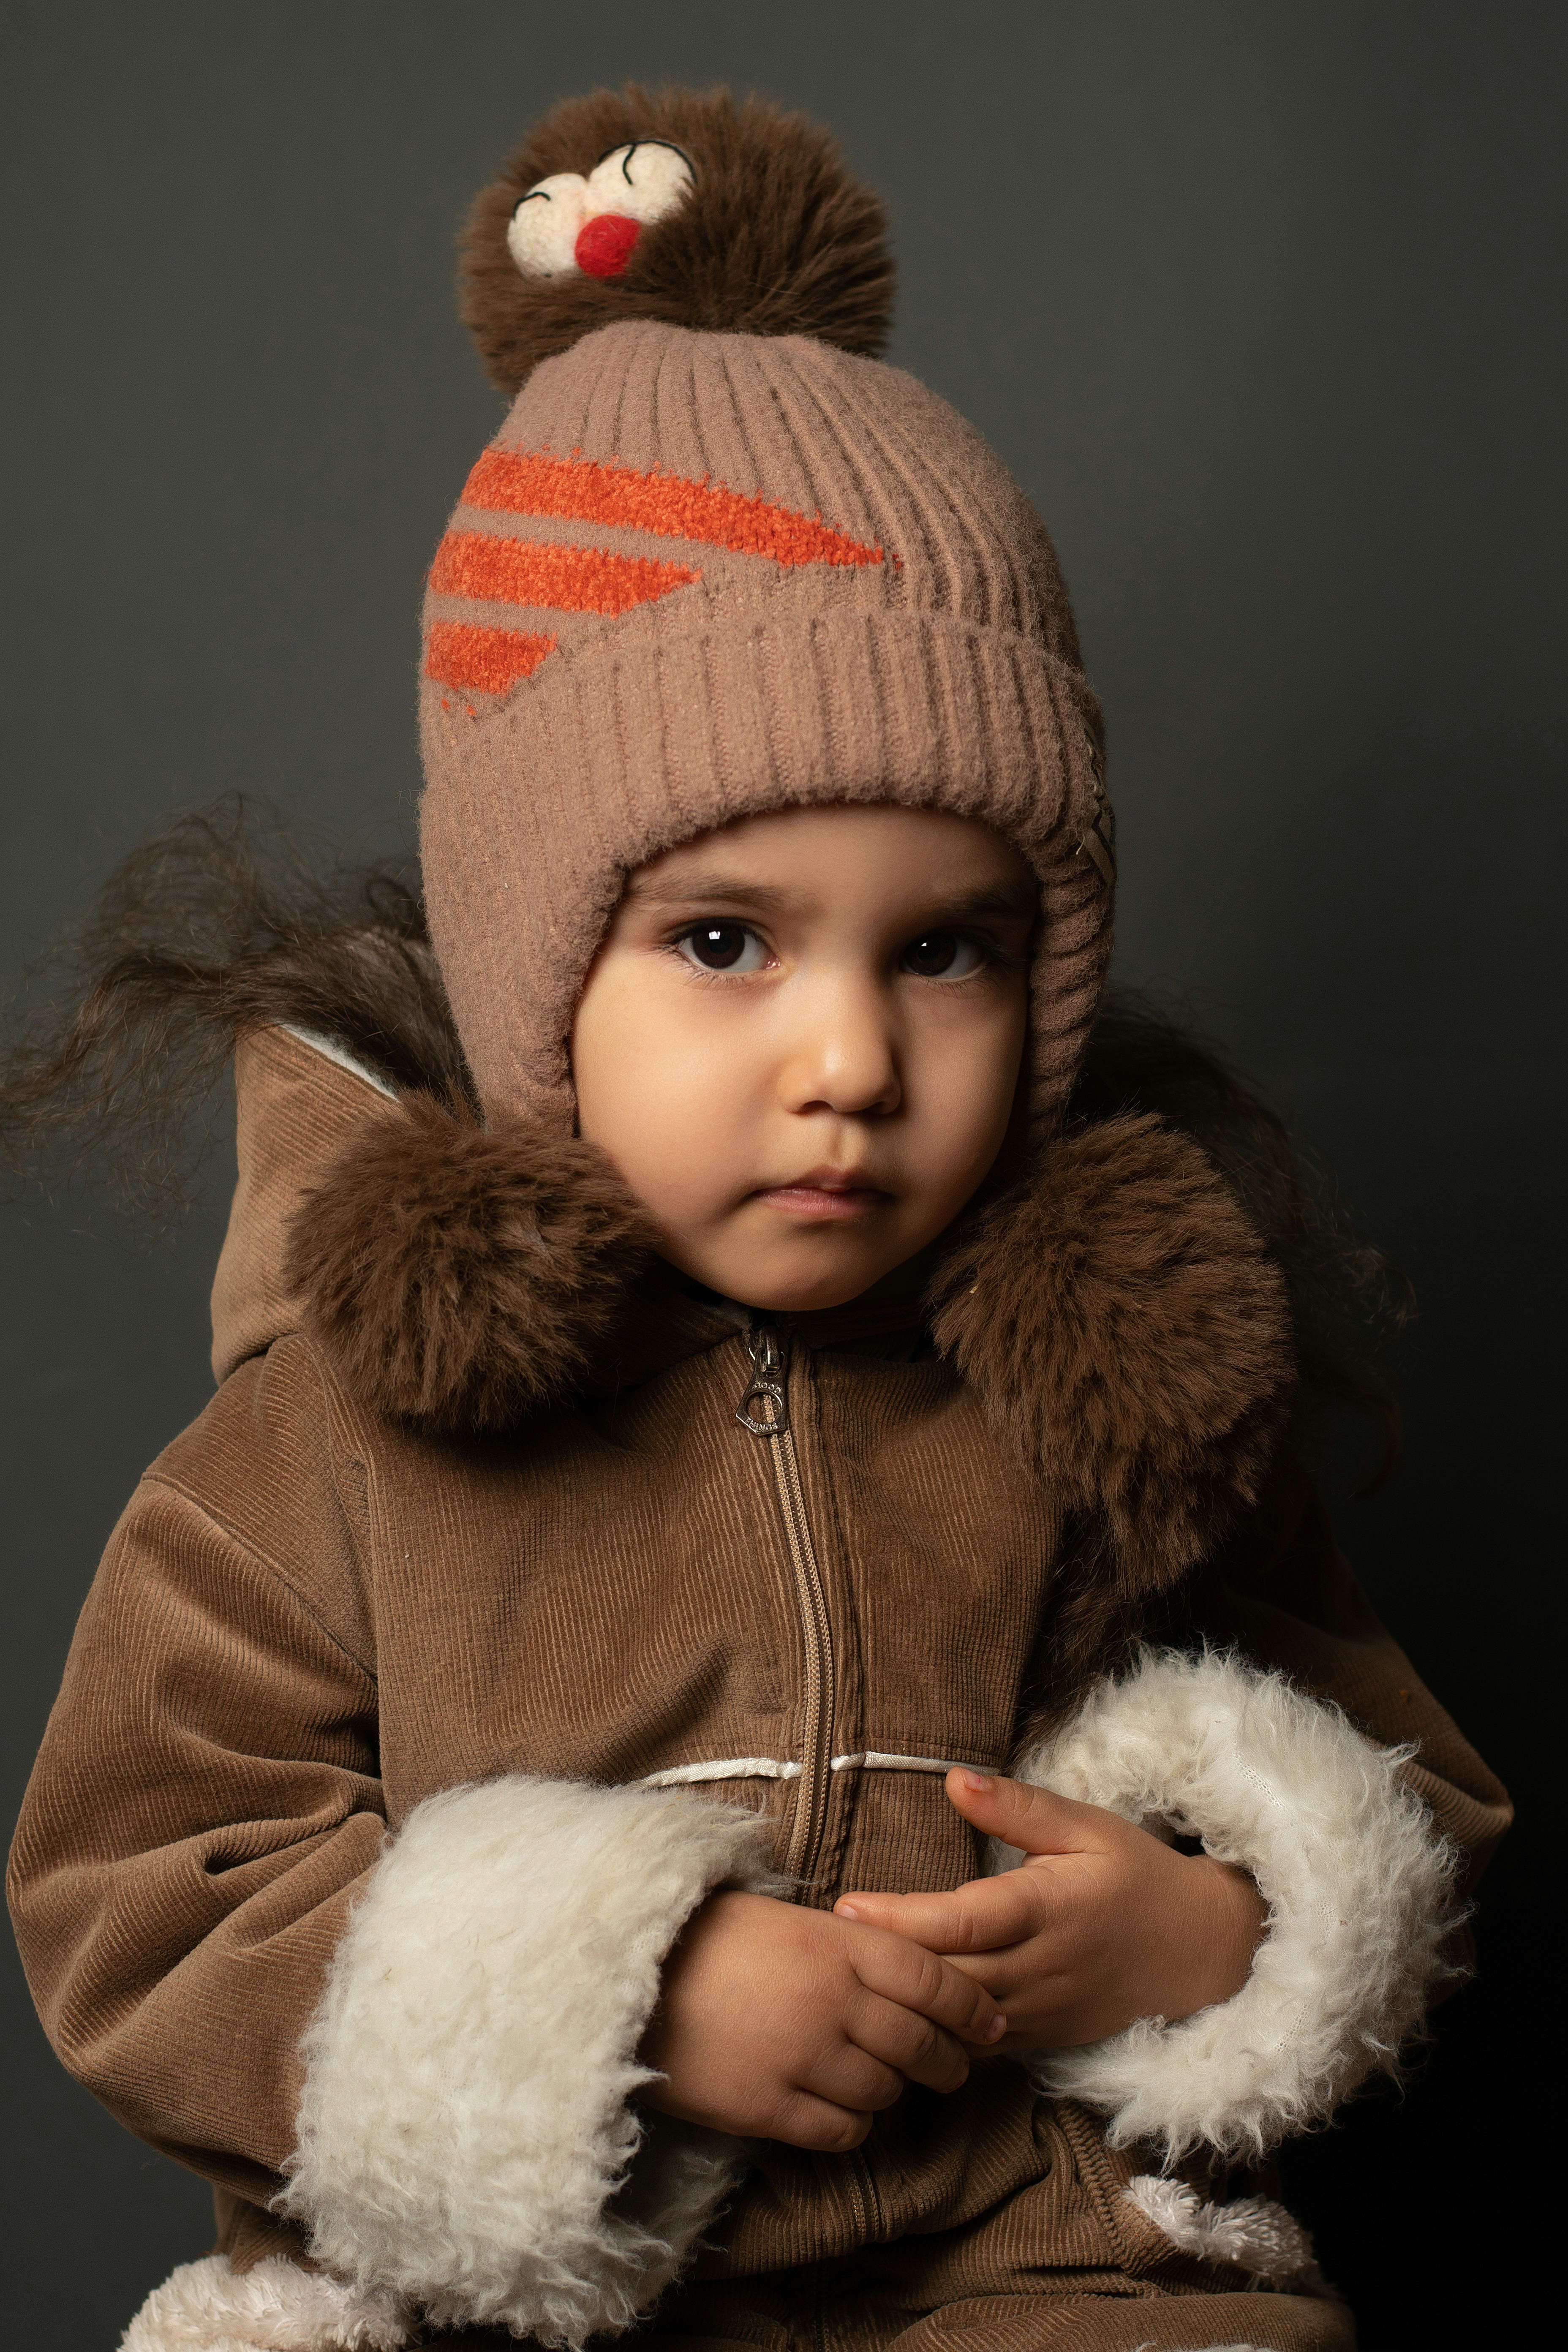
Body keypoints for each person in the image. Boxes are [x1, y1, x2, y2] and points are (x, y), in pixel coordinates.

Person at [5, 85, 1510, 2352]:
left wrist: (1207, 1939)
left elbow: (1398, 1788)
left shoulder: (1096, 1389)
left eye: (947, 949)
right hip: (506, 2300)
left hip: (1017, 2263)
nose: (849, 1060)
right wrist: (614, 1994)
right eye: (725, 943)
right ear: (539, 979)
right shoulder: (332, 1443)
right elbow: (136, 1895)